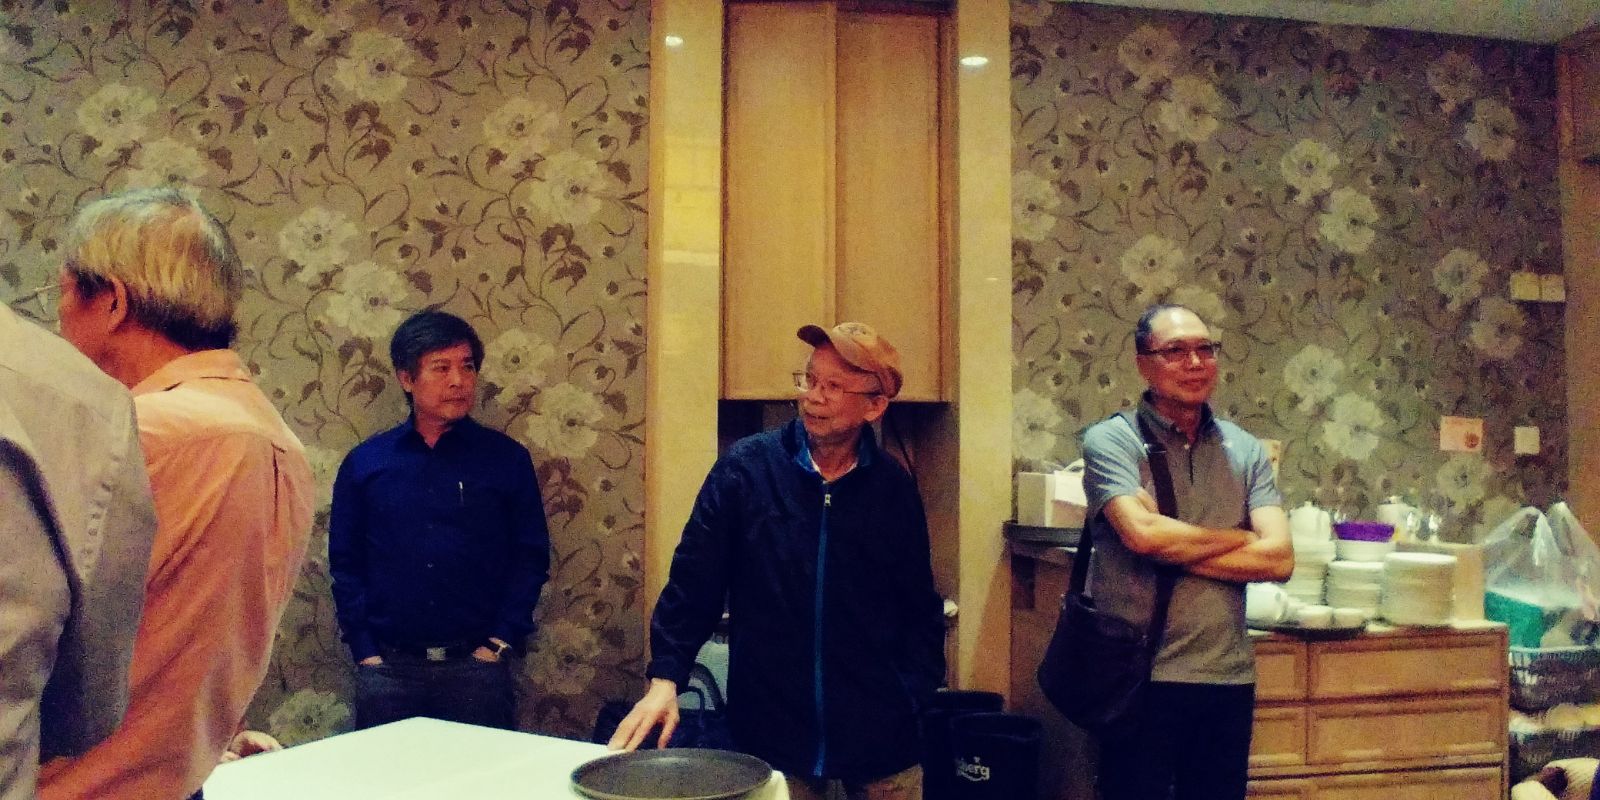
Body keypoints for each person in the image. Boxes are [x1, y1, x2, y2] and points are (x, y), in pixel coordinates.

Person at [39, 187, 315, 800]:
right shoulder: (280, 442)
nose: (56, 320)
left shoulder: (133, 437)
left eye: (61, 293)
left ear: (112, 301)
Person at [609, 322, 945, 800]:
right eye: (809, 379)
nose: (813, 397)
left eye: (834, 386)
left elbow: (918, 606)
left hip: (882, 729)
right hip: (773, 728)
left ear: (874, 406)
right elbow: (694, 581)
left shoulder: (893, 487)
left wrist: (914, 695)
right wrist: (666, 676)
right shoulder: (746, 468)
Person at [1079, 303, 1292, 800]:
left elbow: (1280, 559)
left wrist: (1170, 541)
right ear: (1144, 364)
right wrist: (1242, 538)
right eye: (1175, 351)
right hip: (1139, 676)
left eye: (1205, 349)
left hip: (1228, 677)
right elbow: (1143, 537)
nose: (1194, 363)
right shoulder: (1112, 441)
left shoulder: (1246, 450)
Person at [329, 311, 551, 731]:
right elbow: (346, 564)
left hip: (477, 670)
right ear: (406, 378)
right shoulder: (366, 464)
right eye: (441, 368)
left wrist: (497, 643)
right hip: (389, 671)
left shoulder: (505, 459)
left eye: (467, 367)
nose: (458, 381)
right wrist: (365, 652)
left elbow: (530, 557)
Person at [0, 304, 157, 800]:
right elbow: (86, 711)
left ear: (112, 303)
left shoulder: (130, 418)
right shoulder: (86, 407)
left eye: (60, 292)